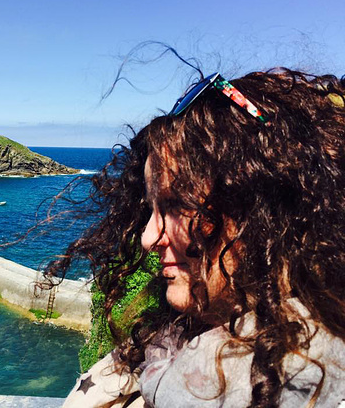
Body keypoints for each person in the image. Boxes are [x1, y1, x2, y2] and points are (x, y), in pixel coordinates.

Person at [51, 68, 345, 407]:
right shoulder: (168, 348)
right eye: (152, 209)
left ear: (269, 208)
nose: (148, 237)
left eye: (177, 205)